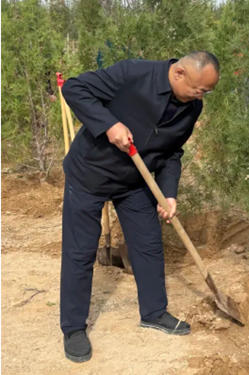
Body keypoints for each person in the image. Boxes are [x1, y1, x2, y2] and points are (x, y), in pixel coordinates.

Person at [60, 51, 220, 363]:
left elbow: (173, 153)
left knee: (148, 245)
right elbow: (75, 88)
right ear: (179, 74)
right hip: (90, 173)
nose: (202, 97)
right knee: (80, 251)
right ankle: (74, 328)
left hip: (135, 181)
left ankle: (154, 312)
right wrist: (109, 124)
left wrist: (169, 194)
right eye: (200, 90)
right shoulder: (133, 74)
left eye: (207, 92)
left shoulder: (192, 108)